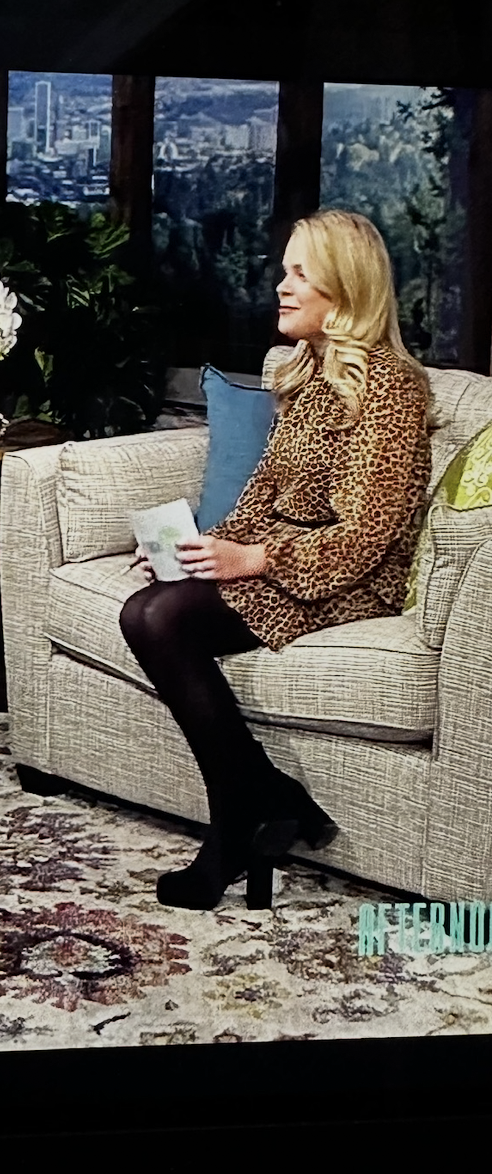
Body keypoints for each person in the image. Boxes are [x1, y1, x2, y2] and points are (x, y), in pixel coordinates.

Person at [120, 209, 431, 911]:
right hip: (281, 555)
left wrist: (256, 559)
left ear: (345, 289)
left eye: (300, 274)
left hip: (348, 576)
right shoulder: (306, 372)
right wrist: (195, 549)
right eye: (284, 271)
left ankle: (238, 815)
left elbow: (367, 536)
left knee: (158, 618)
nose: (281, 287)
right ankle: (264, 791)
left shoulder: (388, 388)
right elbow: (262, 495)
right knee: (148, 604)